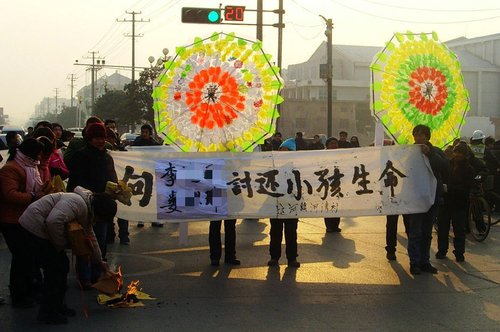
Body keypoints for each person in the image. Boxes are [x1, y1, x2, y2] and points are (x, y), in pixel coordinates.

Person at [18, 186, 114, 324]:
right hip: (34, 228)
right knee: (55, 270)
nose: (98, 221)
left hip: (43, 230)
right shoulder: (78, 203)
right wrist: (60, 245)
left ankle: (57, 306)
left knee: (62, 266)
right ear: (98, 211)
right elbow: (53, 221)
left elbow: (89, 235)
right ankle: (48, 312)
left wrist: (99, 261)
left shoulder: (86, 208)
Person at [0, 138, 53, 308]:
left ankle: (28, 289)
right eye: (38, 153)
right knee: (21, 258)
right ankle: (19, 295)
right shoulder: (11, 169)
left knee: (28, 258)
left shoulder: (30, 167)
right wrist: (33, 197)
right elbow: (10, 194)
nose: (39, 157)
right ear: (31, 152)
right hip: (12, 220)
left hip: (27, 219)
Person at [66, 122, 118, 287]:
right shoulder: (80, 156)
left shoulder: (107, 157)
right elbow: (75, 181)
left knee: (100, 240)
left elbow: (113, 178)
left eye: (102, 138)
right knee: (84, 241)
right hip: (84, 204)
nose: (100, 141)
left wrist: (116, 189)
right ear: (89, 138)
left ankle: (97, 274)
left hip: (102, 205)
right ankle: (85, 277)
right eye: (96, 138)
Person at [405, 124, 448, 275]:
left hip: (432, 197)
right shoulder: (408, 153)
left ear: (428, 137)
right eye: (416, 134)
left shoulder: (436, 151)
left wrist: (430, 154)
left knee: (427, 232)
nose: (419, 137)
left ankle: (425, 262)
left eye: (422, 134)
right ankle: (414, 262)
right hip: (416, 199)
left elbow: (445, 166)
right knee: (415, 232)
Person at [436, 142, 474, 262]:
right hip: (445, 202)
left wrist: (450, 188)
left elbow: (466, 187)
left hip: (459, 204)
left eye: (460, 153)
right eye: (456, 152)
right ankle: (442, 250)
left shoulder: (469, 169)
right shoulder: (447, 165)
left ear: (465, 155)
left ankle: (459, 252)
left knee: (459, 230)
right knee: (442, 229)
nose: (457, 155)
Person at [268, 138, 300, 268]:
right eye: (281, 150)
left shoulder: (297, 167)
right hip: (276, 203)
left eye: (286, 150)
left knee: (291, 232)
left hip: (292, 205)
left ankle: (292, 258)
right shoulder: (273, 165)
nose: (283, 152)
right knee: (275, 232)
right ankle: (274, 257)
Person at [133, 124, 162, 228]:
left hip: (151, 172)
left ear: (150, 133)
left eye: (146, 132)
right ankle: (140, 219)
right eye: (143, 132)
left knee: (152, 195)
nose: (144, 134)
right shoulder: (137, 143)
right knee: (141, 194)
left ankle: (154, 219)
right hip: (140, 172)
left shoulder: (154, 144)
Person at [323, 137, 342, 233]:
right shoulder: (322, 155)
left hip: (337, 183)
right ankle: (329, 226)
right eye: (332, 143)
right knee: (328, 205)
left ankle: (336, 225)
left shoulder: (341, 155)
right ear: (327, 145)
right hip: (327, 184)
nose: (334, 145)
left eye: (335, 143)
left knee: (337, 204)